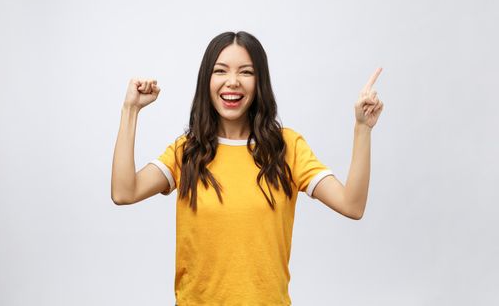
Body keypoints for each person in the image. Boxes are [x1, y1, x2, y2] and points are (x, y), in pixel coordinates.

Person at [111, 31, 384, 305]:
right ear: (207, 80)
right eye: (220, 71)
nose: (232, 82)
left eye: (246, 72)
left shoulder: (287, 148)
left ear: (259, 82)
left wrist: (362, 128)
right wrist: (130, 110)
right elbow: (124, 192)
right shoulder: (187, 152)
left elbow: (352, 205)